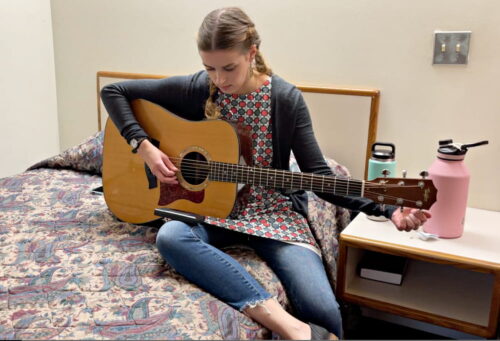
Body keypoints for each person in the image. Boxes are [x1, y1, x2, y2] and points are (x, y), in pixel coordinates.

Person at [101, 7, 430, 340]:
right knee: (171, 236)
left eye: (229, 67)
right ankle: (287, 325)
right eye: (209, 68)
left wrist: (386, 207)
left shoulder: (285, 100)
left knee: (326, 314)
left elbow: (320, 175)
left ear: (252, 53)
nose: (220, 79)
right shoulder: (200, 88)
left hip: (273, 214)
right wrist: (143, 146)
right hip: (215, 214)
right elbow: (113, 92)